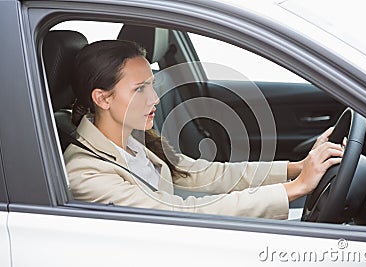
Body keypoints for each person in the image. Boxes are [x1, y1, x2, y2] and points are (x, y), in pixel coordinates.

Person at [64, 39, 343, 219]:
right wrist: (296, 189)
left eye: (152, 84)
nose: (154, 99)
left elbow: (202, 173)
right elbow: (178, 213)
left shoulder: (135, 142)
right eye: (140, 90)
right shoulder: (87, 174)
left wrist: (297, 167)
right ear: (102, 98)